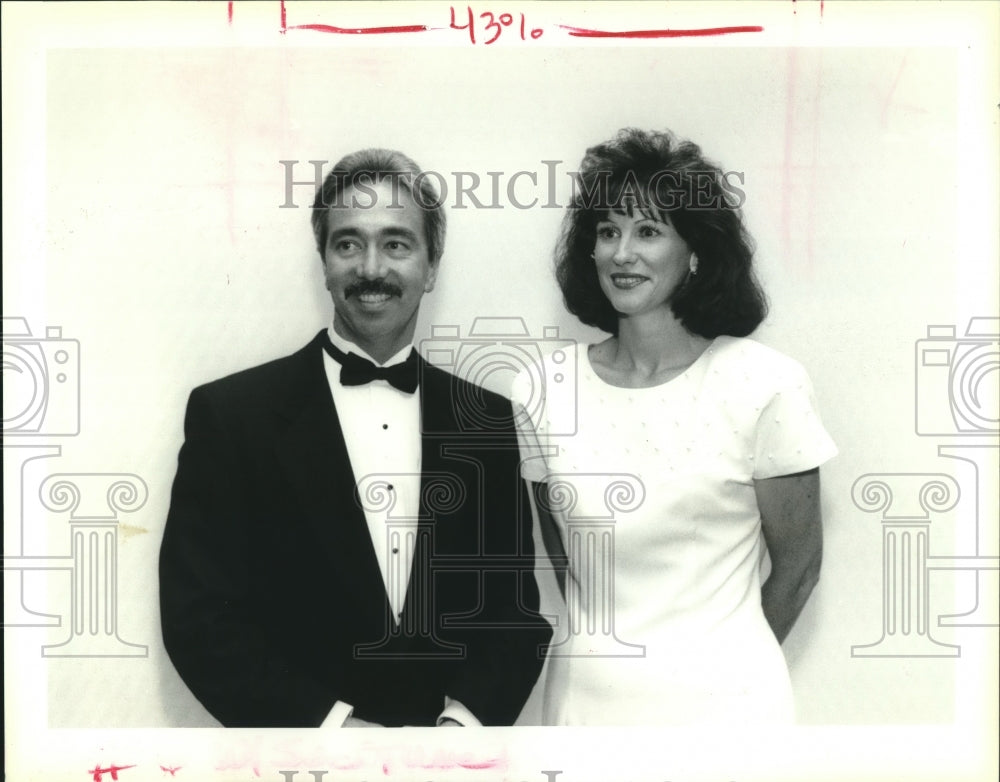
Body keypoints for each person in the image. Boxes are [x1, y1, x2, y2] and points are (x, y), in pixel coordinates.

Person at [159, 148, 551, 728]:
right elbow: (198, 619)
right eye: (348, 243)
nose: (371, 268)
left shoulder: (487, 420)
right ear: (323, 261)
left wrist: (458, 729)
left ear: (432, 265)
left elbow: (513, 614)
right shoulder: (231, 415)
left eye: (396, 243)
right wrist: (335, 733)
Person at [512, 128, 837, 725]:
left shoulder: (765, 383)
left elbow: (799, 568)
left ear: (695, 253)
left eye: (649, 230)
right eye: (607, 231)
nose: (621, 252)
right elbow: (567, 562)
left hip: (728, 717)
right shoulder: (541, 387)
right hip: (583, 712)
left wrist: (721, 669)